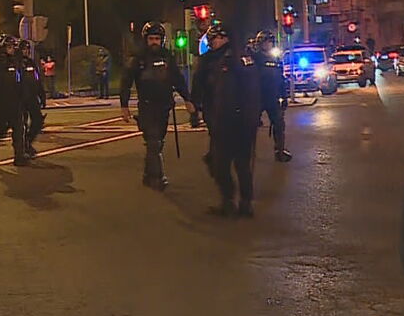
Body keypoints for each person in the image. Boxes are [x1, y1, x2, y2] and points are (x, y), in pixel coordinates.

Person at [191, 24, 261, 217]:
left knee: (228, 164)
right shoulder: (214, 61)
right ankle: (236, 202)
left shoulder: (231, 61)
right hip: (232, 122)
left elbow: (241, 93)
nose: (213, 44)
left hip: (229, 122)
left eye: (215, 39)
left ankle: (237, 202)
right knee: (234, 164)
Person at [119, 22, 194, 191]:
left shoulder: (168, 57)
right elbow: (126, 82)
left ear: (162, 40)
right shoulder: (138, 58)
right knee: (153, 141)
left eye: (157, 39)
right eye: (151, 39)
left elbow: (178, 79)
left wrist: (188, 99)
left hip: (164, 106)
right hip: (147, 106)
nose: (154, 42)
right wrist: (124, 106)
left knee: (157, 142)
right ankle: (157, 177)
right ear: (145, 40)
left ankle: (148, 174)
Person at [0, 35, 28, 166]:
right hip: (0, 105)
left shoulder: (16, 62)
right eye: (9, 47)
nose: (12, 49)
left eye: (13, 46)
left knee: (19, 130)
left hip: (15, 103)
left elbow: (21, 81)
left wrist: (23, 97)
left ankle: (19, 156)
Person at [253, 31, 292, 162]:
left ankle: (279, 151)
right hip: (257, 97)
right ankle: (246, 152)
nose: (268, 44)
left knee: (279, 124)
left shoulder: (276, 59)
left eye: (270, 42)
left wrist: (284, 96)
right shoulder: (254, 58)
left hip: (273, 97)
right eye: (265, 42)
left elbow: (280, 79)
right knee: (249, 125)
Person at [18, 39, 46, 158]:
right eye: (24, 49)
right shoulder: (16, 63)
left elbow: (37, 80)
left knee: (38, 121)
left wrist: (42, 95)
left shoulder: (31, 63)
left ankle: (28, 141)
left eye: (28, 49)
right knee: (21, 125)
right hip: (20, 98)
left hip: (32, 98)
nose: (26, 51)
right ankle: (22, 148)